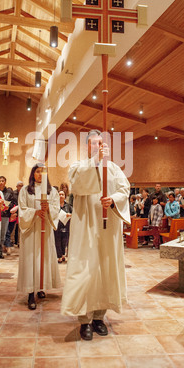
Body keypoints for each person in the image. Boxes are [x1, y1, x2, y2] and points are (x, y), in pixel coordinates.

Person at [61, 129, 130, 341]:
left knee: (105, 269)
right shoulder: (78, 166)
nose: (98, 146)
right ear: (87, 146)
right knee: (86, 270)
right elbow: (78, 186)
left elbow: (124, 190)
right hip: (86, 226)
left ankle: (100, 316)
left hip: (107, 228)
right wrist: (94, 162)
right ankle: (84, 319)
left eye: (101, 143)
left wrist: (114, 199)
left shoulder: (114, 168)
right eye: (93, 143)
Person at [17, 165, 61, 310]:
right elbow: (22, 209)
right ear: (33, 173)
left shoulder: (52, 191)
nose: (40, 174)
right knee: (31, 260)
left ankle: (42, 286)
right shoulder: (25, 190)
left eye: (43, 172)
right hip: (30, 230)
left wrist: (48, 209)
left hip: (45, 229)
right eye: (37, 171)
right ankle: (30, 292)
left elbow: (56, 208)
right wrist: (35, 212)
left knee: (43, 259)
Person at [54, 190, 72, 263]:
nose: (61, 196)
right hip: (57, 226)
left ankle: (63, 254)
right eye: (59, 194)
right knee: (57, 241)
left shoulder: (68, 206)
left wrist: (69, 215)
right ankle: (59, 256)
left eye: (62, 194)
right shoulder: (55, 206)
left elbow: (72, 213)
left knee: (65, 240)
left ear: (65, 196)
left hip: (66, 225)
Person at [0, 176, 14, 257]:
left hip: (5, 215)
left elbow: (12, 202)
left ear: (5, 182)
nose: (1, 182)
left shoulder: (9, 192)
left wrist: (9, 207)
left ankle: (0, 252)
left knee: (3, 234)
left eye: (3, 181)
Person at [5, 181, 23, 247]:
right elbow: (12, 202)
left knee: (20, 229)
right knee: (11, 229)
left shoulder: (24, 193)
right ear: (17, 186)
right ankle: (10, 242)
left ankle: (19, 242)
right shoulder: (13, 193)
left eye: (22, 186)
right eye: (19, 185)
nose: (21, 187)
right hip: (14, 212)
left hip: (22, 213)